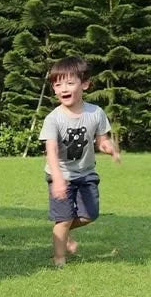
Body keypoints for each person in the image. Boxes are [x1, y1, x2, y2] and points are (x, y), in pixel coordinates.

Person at [39, 56, 120, 268]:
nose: (63, 88)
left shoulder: (96, 113)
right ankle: (59, 260)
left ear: (84, 84)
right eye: (58, 84)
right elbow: (51, 150)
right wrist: (57, 179)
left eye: (69, 83)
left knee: (90, 215)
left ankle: (62, 231)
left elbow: (101, 139)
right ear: (54, 90)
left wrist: (108, 147)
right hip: (61, 175)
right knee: (64, 219)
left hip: (86, 173)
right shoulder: (53, 119)